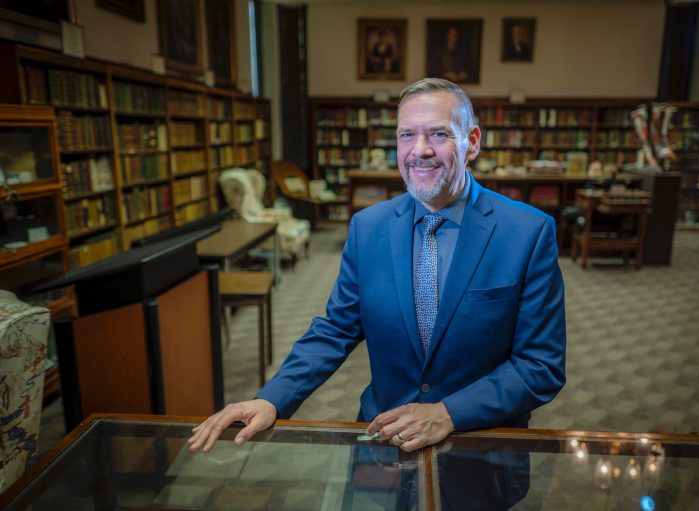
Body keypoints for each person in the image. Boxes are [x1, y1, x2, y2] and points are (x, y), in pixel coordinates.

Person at [188, 78, 566, 455]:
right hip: (381, 446)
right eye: (406, 136)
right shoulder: (368, 228)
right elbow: (336, 328)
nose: (420, 151)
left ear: (472, 142)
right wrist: (271, 399)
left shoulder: (528, 233)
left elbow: (541, 365)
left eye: (438, 134)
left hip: (482, 446)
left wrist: (447, 413)